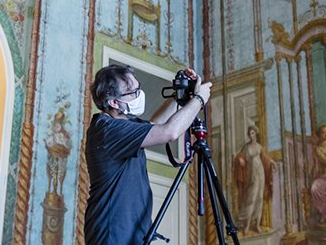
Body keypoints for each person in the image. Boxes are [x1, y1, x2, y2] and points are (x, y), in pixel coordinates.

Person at [84, 64, 212, 244]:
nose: (139, 95)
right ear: (113, 102)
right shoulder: (108, 129)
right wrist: (199, 99)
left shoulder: (122, 124)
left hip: (130, 235)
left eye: (138, 88)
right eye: (133, 92)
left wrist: (181, 93)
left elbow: (154, 124)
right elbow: (169, 132)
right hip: (112, 235)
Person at [233, 123, 275, 234]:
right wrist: (239, 159)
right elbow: (239, 156)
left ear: (255, 133)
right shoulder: (246, 147)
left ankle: (257, 225)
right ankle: (247, 225)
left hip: (260, 172)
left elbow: (265, 158)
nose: (251, 136)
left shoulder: (259, 147)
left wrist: (272, 162)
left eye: (252, 133)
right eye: (249, 134)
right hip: (251, 174)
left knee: (259, 198)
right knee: (251, 198)